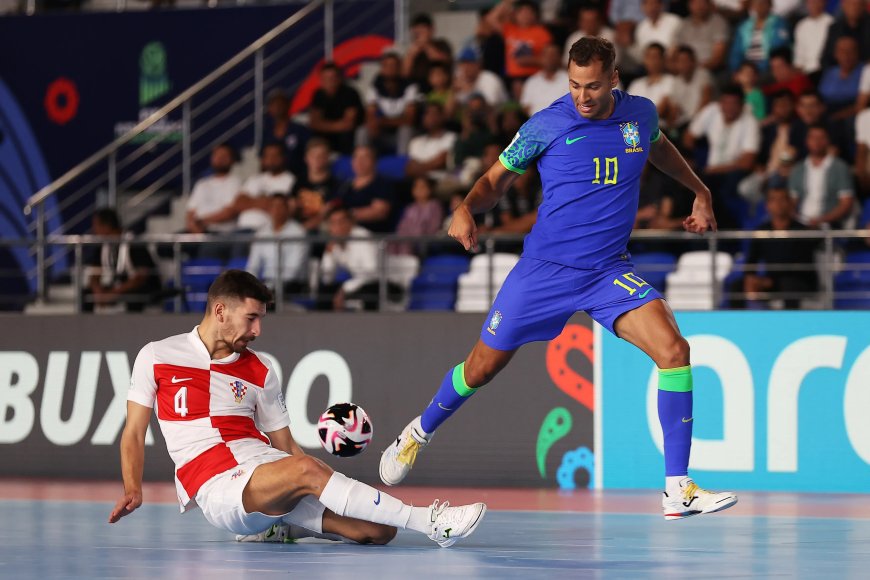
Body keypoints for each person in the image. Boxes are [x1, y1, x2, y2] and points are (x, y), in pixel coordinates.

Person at [378, 37, 738, 520]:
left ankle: (678, 488)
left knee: (675, 350)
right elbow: (493, 182)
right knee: (481, 368)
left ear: (614, 79)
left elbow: (659, 149)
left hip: (609, 270)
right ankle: (417, 433)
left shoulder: (640, 115)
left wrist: (699, 190)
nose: (582, 97)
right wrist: (465, 207)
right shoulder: (546, 124)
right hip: (545, 272)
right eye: (573, 85)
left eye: (592, 86)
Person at [109, 270, 485, 547]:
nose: (257, 331)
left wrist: (319, 481)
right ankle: (431, 521)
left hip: (265, 468)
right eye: (251, 318)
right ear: (220, 310)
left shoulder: (259, 369)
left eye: (261, 319)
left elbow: (286, 447)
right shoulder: (157, 355)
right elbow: (133, 433)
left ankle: (281, 527)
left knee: (377, 531)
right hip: (216, 484)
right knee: (307, 470)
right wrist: (132, 487)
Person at [733, 185, 820, 309]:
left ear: (790, 204)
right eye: (773, 200)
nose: (778, 204)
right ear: (767, 206)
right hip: (771, 282)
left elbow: (801, 265)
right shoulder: (762, 231)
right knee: (737, 286)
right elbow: (751, 260)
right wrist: (751, 279)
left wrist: (769, 281)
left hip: (800, 281)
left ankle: (790, 325)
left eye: (782, 199)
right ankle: (737, 324)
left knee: (788, 285)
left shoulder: (802, 231)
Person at [317, 207, 400, 311]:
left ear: (350, 223)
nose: (337, 227)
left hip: (387, 284)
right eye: (332, 223)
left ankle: (369, 326)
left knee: (367, 292)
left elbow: (371, 273)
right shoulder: (335, 243)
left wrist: (345, 289)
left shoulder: (362, 238)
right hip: (361, 284)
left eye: (341, 222)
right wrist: (328, 254)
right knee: (325, 291)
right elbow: (327, 278)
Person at [83, 209, 161, 313]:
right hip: (116, 286)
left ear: (106, 226)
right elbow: (94, 274)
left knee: (135, 295)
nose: (93, 230)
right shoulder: (102, 246)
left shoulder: (134, 243)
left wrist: (113, 293)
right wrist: (98, 291)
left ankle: (132, 327)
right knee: (86, 293)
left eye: (96, 225)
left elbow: (140, 277)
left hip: (135, 286)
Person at [788, 124, 855, 228]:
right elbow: (792, 201)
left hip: (830, 225)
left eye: (821, 138)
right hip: (801, 224)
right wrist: (796, 219)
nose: (817, 141)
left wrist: (821, 220)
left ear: (828, 141)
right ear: (807, 141)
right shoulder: (798, 169)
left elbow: (846, 204)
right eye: (813, 137)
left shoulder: (840, 168)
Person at [245, 194, 309, 299]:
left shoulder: (298, 233)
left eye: (280, 206)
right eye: (273, 206)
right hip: (266, 283)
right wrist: (249, 285)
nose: (276, 210)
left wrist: (272, 287)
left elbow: (294, 269)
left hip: (292, 286)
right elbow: (253, 264)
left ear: (287, 209)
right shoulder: (261, 233)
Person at [486, 0, 554, 99]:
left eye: (528, 12)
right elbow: (491, 19)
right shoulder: (509, 29)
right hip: (513, 78)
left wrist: (530, 60)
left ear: (534, 15)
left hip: (535, 76)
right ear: (515, 15)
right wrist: (507, 2)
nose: (525, 15)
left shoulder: (542, 33)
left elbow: (550, 59)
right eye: (521, 12)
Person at [329, 145, 395, 233]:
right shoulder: (344, 185)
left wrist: (348, 216)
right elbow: (333, 207)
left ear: (374, 161)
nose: (359, 162)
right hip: (343, 234)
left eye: (365, 158)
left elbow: (380, 212)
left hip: (370, 235)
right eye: (356, 157)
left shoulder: (382, 184)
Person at [363, 52, 418, 156]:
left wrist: (383, 121)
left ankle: (401, 164)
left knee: (405, 130)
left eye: (394, 65)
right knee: (363, 131)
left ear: (400, 67)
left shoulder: (410, 86)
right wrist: (376, 123)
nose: (390, 69)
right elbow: (370, 115)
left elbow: (409, 120)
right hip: (381, 133)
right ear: (382, 68)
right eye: (387, 66)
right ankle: (363, 161)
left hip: (401, 134)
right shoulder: (375, 86)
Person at [185, 143, 242, 235]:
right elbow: (191, 212)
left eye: (224, 156)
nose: (220, 159)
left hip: (222, 233)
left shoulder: (236, 183)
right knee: (165, 245)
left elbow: (230, 212)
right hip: (197, 231)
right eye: (217, 155)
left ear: (232, 160)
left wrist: (202, 222)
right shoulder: (201, 184)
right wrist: (195, 228)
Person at [309, 63, 364, 155]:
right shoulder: (318, 95)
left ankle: (347, 163)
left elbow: (348, 124)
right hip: (329, 133)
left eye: (333, 77)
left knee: (347, 135)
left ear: (339, 78)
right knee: (312, 136)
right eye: (326, 78)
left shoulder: (350, 93)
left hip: (348, 134)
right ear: (321, 80)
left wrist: (324, 125)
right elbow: (314, 123)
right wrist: (336, 125)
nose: (330, 81)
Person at [728, 0, 790, 74]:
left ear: (770, 5)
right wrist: (736, 70)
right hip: (746, 69)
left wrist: (756, 69)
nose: (759, 6)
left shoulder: (779, 24)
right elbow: (736, 52)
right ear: (752, 7)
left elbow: (778, 49)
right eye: (756, 4)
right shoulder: (744, 26)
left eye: (762, 3)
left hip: (768, 68)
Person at [392, 176, 445, 255]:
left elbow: (434, 228)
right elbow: (402, 227)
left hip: (424, 243)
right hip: (407, 240)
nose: (419, 190)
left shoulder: (435, 206)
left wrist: (417, 237)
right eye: (416, 186)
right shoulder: (410, 208)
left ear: (430, 189)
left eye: (422, 186)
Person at [673, 0, 729, 72]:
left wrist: (693, 69)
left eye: (702, 3)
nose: (699, 6)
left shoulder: (719, 23)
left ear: (709, 4)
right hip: (684, 70)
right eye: (695, 3)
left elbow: (717, 59)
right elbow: (674, 51)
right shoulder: (684, 25)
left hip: (709, 71)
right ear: (689, 5)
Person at [520, 43, 569, 116]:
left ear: (559, 58)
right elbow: (525, 106)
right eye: (546, 55)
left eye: (553, 55)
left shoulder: (568, 79)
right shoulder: (532, 81)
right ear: (541, 57)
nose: (549, 58)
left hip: (562, 122)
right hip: (537, 123)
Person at [792, 0, 833, 77]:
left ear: (824, 3)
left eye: (818, 1)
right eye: (811, 2)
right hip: (806, 73)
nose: (814, 5)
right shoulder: (801, 26)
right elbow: (799, 59)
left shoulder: (831, 23)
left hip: (824, 71)